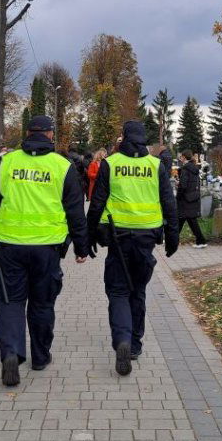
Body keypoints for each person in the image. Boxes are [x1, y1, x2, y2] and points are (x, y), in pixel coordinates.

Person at [0, 116, 88, 386]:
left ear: (27, 134)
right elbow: (75, 211)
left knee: (11, 301)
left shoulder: (7, 162)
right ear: (51, 135)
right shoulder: (63, 166)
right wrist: (82, 247)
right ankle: (40, 356)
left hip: (10, 246)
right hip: (47, 249)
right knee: (42, 303)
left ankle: (11, 352)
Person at [87, 121, 179, 376]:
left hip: (117, 238)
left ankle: (122, 340)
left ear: (124, 138)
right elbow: (168, 202)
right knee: (137, 291)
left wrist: (88, 236)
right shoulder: (155, 165)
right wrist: (173, 236)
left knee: (118, 291)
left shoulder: (111, 164)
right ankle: (135, 344)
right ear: (143, 139)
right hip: (147, 238)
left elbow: (97, 203)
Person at [177, 150, 207, 248]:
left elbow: (184, 185)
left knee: (184, 219)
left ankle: (201, 241)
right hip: (192, 197)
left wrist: (178, 192)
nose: (180, 158)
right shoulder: (194, 168)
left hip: (185, 198)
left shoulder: (185, 169)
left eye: (181, 157)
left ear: (184, 157)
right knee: (185, 219)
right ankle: (201, 240)